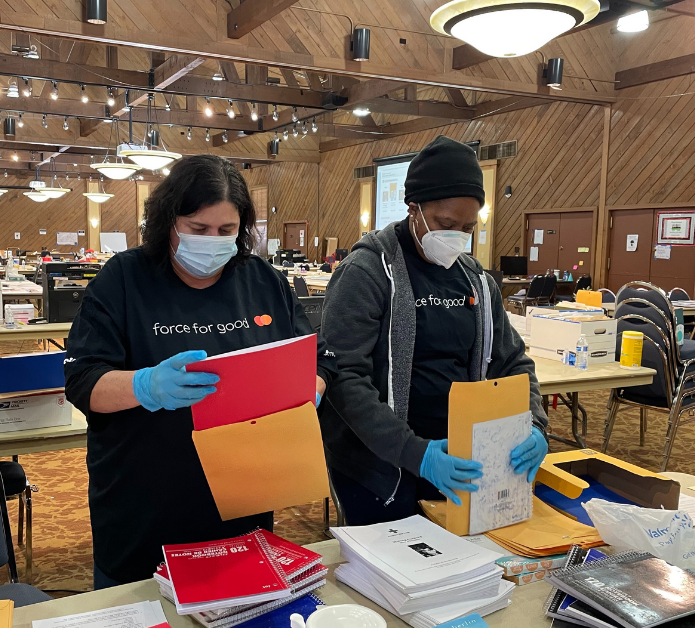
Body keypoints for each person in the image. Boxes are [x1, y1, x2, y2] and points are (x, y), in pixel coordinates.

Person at [63, 155, 334, 588]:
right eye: (198, 229)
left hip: (242, 498)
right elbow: (82, 381)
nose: (213, 241)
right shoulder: (124, 280)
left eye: (226, 231)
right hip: (146, 503)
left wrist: (309, 386)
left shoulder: (262, 280)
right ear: (169, 221)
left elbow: (319, 356)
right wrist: (145, 385)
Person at [320, 136, 548, 525]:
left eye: (467, 227)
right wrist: (415, 453)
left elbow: (512, 361)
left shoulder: (475, 280)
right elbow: (344, 377)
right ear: (414, 209)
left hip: (458, 459)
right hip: (381, 466)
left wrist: (535, 422)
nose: (456, 236)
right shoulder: (368, 272)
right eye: (445, 224)